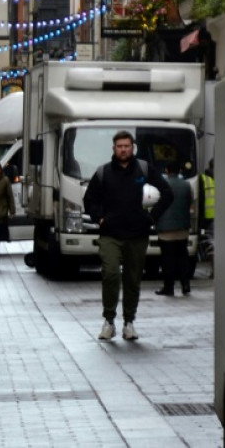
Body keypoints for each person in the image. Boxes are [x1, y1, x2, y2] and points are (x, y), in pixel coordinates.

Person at [83, 130, 173, 341]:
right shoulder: (103, 172)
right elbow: (89, 200)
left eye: (127, 146)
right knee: (111, 274)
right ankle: (109, 321)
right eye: (119, 146)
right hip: (110, 234)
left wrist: (152, 218)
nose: (123, 149)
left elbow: (167, 192)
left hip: (137, 235)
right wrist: (99, 219)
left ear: (132, 148)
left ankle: (129, 322)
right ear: (113, 148)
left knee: (133, 279)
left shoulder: (143, 169)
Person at [154, 162, 193, 296]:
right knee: (183, 256)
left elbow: (157, 203)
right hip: (182, 227)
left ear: (166, 170)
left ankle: (168, 287)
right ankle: (185, 284)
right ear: (180, 170)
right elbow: (189, 202)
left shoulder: (162, 185)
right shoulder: (187, 185)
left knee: (167, 258)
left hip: (165, 229)